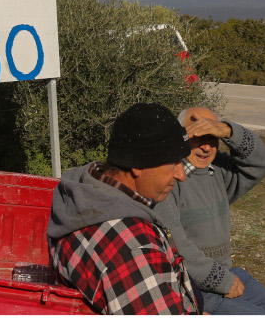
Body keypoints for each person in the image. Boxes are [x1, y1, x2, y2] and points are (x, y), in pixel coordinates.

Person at [47, 102, 202, 315]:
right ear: (138, 164)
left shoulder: (85, 189)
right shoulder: (133, 249)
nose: (181, 175)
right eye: (173, 162)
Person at [153, 106, 265, 315]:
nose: (206, 147)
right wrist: (223, 281)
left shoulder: (218, 169)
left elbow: (263, 163)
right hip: (192, 285)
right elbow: (177, 248)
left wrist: (229, 131)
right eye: (198, 137)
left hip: (228, 273)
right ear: (180, 137)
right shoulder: (168, 181)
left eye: (213, 138)